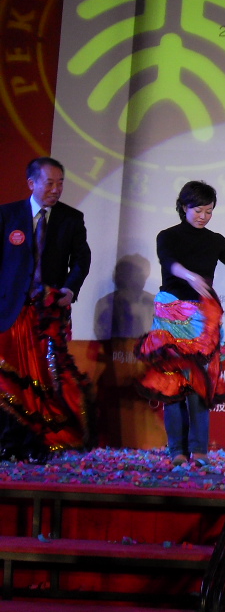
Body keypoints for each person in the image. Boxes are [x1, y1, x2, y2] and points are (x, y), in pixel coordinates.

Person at [135, 181, 225, 467]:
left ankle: (199, 451)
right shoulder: (167, 236)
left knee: (200, 384)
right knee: (172, 386)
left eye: (209, 211)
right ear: (183, 207)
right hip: (171, 318)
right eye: (198, 210)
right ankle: (177, 451)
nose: (203, 216)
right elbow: (168, 261)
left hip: (202, 321)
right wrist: (189, 275)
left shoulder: (215, 241)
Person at [0, 157, 92, 460]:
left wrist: (70, 289)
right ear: (32, 183)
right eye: (50, 183)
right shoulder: (8, 215)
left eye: (60, 183)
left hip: (47, 314)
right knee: (9, 380)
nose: (56, 189)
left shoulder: (71, 218)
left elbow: (81, 260)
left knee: (44, 380)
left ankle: (38, 445)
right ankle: (7, 443)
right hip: (10, 312)